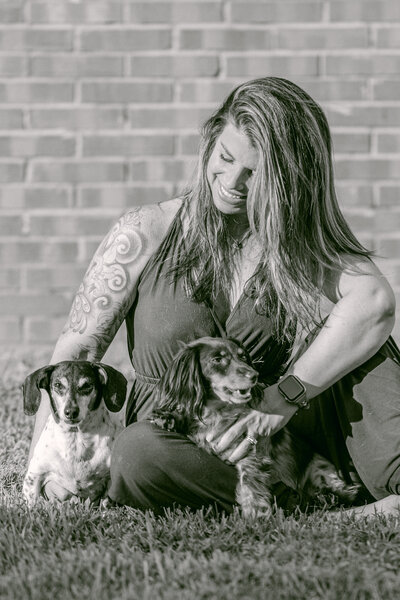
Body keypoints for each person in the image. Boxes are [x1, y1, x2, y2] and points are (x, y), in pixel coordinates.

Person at [28, 77, 400, 517]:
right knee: (136, 454)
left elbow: (375, 303)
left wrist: (284, 398)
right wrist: (40, 468)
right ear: (209, 142)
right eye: (224, 158)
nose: (232, 182)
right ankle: (299, 507)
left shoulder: (296, 246)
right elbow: (78, 350)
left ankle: (368, 482)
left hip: (276, 437)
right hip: (177, 440)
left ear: (286, 181)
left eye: (254, 174)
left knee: (367, 348)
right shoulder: (146, 230)